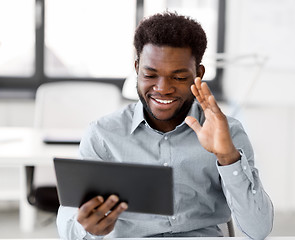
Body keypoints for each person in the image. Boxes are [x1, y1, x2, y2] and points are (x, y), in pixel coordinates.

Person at [57, 12, 273, 240]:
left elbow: (258, 230)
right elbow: (70, 228)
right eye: (150, 74)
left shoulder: (227, 132)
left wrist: (228, 157)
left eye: (179, 78)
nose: (163, 88)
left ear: (198, 74)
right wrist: (87, 229)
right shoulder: (103, 135)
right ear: (137, 68)